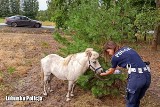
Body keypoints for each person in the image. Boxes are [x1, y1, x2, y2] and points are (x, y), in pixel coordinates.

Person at [100, 41, 151, 107]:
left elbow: (111, 71)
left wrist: (103, 74)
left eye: (108, 51)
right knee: (136, 100)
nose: (109, 54)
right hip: (147, 76)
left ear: (111, 48)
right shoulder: (127, 48)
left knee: (130, 103)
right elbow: (131, 62)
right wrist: (113, 69)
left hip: (136, 78)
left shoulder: (115, 57)